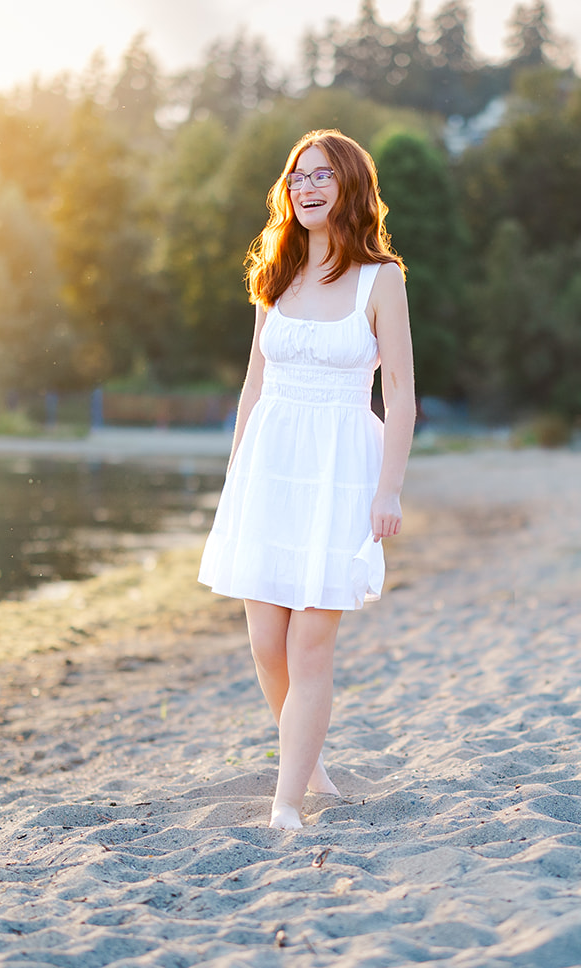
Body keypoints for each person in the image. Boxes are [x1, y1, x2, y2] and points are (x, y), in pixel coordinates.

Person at [197, 129, 415, 830]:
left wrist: (389, 489)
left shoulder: (380, 280)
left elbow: (403, 398)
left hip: (341, 474)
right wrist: (236, 477)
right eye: (297, 178)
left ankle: (287, 801)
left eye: (321, 176)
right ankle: (310, 763)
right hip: (271, 471)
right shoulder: (276, 274)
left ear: (350, 186)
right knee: (265, 643)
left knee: (308, 642)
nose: (307, 187)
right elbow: (253, 384)